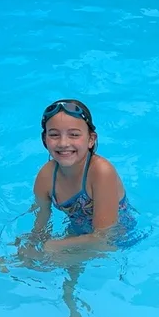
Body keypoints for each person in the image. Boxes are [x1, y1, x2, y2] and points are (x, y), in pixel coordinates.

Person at [29, 100, 132, 253]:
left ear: (91, 139)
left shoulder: (101, 172)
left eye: (74, 135)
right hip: (78, 234)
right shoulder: (46, 176)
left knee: (48, 258)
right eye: (54, 134)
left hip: (118, 241)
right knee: (26, 254)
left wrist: (53, 246)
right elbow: (40, 221)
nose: (63, 143)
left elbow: (104, 238)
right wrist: (31, 243)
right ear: (45, 139)